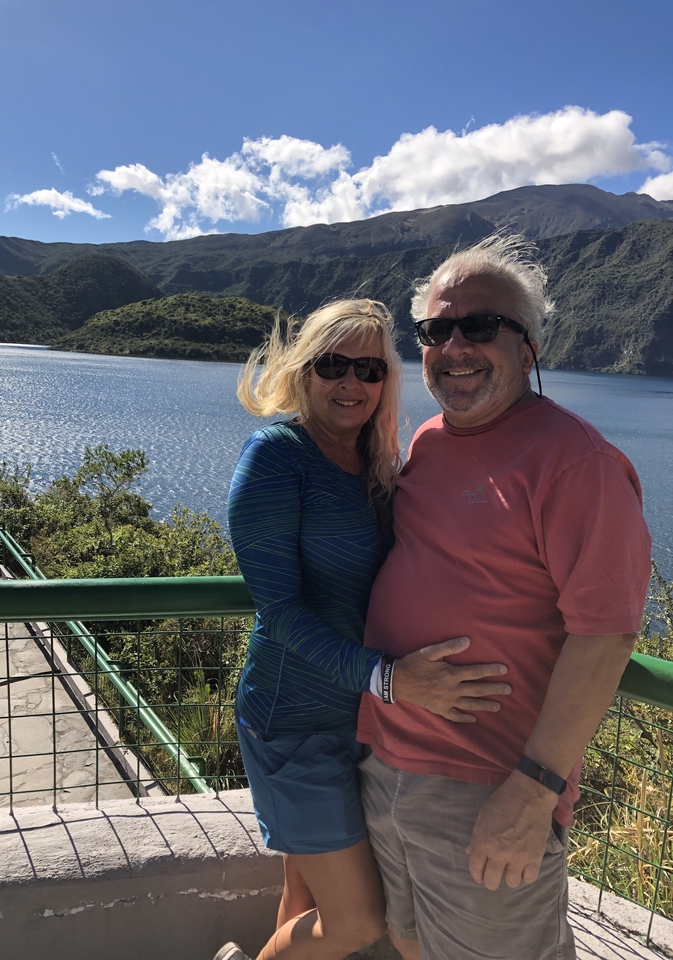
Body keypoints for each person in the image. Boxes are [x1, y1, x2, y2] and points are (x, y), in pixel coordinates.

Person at [357, 235, 652, 960]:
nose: (455, 346)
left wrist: (534, 791)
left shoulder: (574, 461)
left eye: (481, 326)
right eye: (436, 330)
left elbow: (608, 633)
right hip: (385, 763)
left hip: (488, 788)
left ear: (529, 346)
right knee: (407, 941)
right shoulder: (424, 442)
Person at [218, 299, 512, 960]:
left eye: (369, 369)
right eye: (333, 365)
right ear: (303, 370)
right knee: (358, 921)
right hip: (292, 722)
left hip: (356, 721)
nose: (352, 383)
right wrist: (387, 678)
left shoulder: (373, 464)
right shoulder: (276, 458)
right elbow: (281, 613)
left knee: (306, 900)